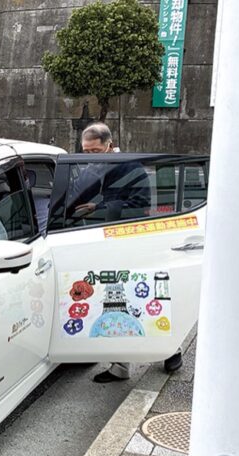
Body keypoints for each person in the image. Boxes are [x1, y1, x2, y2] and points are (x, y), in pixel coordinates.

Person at [71, 123, 182, 382]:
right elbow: (76, 194)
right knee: (112, 300)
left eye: (95, 151)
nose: (90, 157)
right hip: (103, 241)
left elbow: (140, 205)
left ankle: (171, 349)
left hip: (131, 240)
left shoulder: (130, 167)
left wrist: (100, 207)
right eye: (86, 152)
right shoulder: (92, 167)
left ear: (110, 145)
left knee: (145, 298)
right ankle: (120, 365)